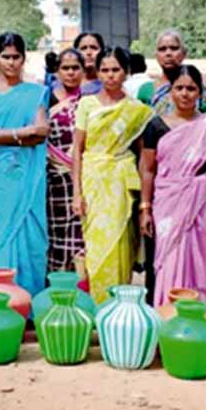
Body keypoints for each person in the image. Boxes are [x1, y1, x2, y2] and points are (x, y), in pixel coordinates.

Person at [139, 65, 206, 319]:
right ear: (170, 92)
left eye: (191, 88)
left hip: (201, 202)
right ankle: (168, 319)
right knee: (167, 262)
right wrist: (145, 209)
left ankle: (199, 320)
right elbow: (148, 171)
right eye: (179, 88)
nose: (185, 94)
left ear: (200, 92)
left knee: (202, 262)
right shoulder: (156, 126)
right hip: (167, 203)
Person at [72, 47, 153, 304]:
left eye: (115, 70)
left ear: (126, 72)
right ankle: (97, 307)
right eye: (104, 70)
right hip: (93, 180)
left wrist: (143, 204)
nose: (110, 76)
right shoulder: (87, 104)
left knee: (120, 247)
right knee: (96, 248)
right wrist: (77, 193)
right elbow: (78, 150)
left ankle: (118, 307)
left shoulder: (136, 110)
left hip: (121, 183)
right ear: (97, 71)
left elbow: (144, 156)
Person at [0, 32, 49, 298]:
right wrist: (23, 133)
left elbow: (41, 134)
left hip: (29, 177)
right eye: (5, 57)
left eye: (15, 57)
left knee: (32, 237)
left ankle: (29, 303)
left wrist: (9, 135)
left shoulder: (37, 92)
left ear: (24, 58)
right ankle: (2, 298)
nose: (10, 62)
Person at [46, 48, 86, 273]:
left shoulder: (90, 102)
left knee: (82, 238)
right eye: (65, 68)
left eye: (75, 68)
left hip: (83, 181)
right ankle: (56, 292)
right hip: (55, 182)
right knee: (57, 237)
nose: (70, 73)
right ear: (57, 71)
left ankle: (83, 293)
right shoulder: (46, 100)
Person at [138, 29, 206, 114]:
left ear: (184, 53)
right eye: (162, 49)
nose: (168, 53)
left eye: (174, 48)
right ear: (156, 56)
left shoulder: (197, 90)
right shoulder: (146, 90)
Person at [73, 31, 104, 96]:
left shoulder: (110, 84)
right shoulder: (66, 84)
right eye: (83, 48)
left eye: (94, 48)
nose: (89, 52)